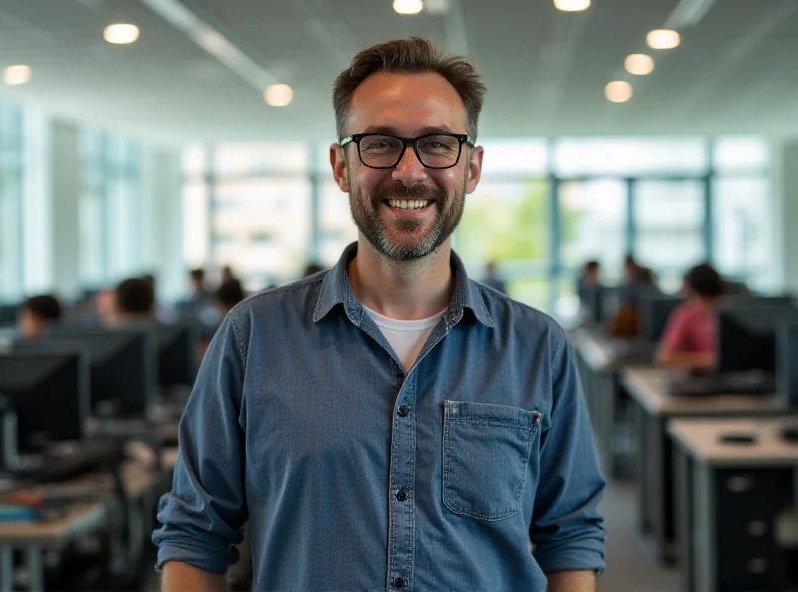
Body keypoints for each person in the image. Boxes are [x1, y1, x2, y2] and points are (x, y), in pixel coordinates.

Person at [154, 37, 605, 592]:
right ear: (341, 165)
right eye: (380, 144)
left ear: (472, 167)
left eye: (438, 144)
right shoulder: (253, 338)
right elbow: (194, 536)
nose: (410, 171)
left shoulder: (538, 346)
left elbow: (570, 539)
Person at [656, 263, 724, 370]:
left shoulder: (729, 313)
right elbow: (665, 357)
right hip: (701, 377)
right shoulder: (687, 315)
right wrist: (707, 360)